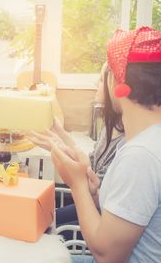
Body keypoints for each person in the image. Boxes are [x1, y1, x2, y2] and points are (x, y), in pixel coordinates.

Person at [51, 27, 161, 263]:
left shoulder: (143, 156)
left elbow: (107, 256)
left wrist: (77, 185)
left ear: (119, 84)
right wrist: (96, 195)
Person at [29, 62, 125, 230]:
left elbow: (93, 182)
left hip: (102, 215)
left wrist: (58, 148)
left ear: (114, 86)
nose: (97, 84)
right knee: (42, 220)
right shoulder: (111, 124)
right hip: (94, 202)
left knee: (46, 229)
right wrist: (60, 134)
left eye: (101, 80)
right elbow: (92, 164)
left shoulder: (126, 141)